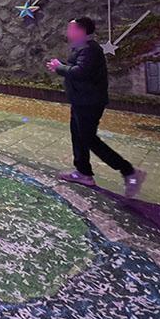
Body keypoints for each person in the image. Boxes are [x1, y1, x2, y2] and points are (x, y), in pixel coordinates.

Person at [47, 16, 145, 197]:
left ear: (81, 31)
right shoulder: (82, 48)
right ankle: (83, 172)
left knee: (89, 139)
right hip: (81, 101)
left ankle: (129, 171)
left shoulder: (90, 50)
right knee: (78, 136)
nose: (68, 32)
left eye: (71, 29)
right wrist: (61, 67)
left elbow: (81, 72)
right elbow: (78, 71)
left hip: (89, 103)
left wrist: (59, 67)